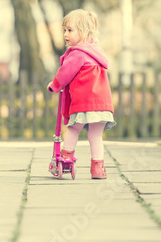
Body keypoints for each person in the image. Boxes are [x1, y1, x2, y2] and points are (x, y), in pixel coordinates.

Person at [47, 9, 116, 179]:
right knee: (96, 135)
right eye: (65, 30)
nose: (65, 34)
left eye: (70, 30)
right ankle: (98, 167)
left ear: (84, 32)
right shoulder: (96, 52)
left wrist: (54, 85)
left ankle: (66, 159)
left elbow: (65, 73)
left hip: (84, 103)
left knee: (73, 129)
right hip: (102, 104)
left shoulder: (78, 54)